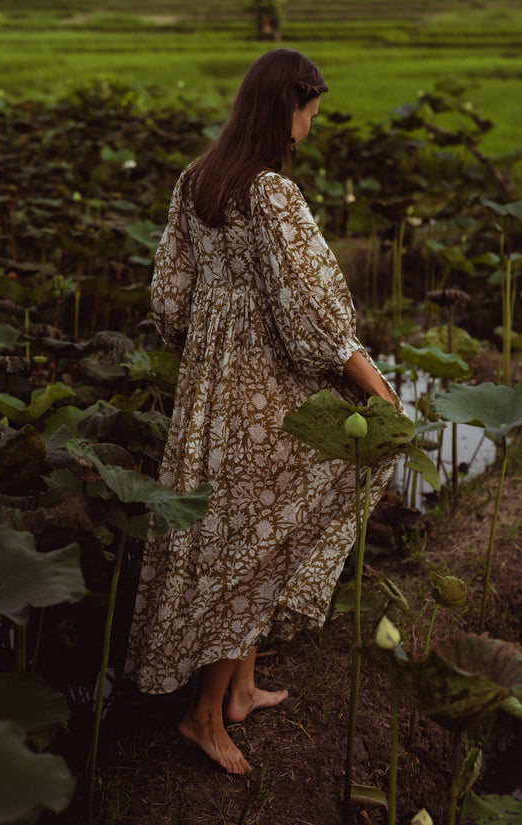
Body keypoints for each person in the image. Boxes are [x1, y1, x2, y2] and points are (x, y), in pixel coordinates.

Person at [125, 48, 398, 776]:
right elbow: (313, 313)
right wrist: (374, 383)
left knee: (239, 529)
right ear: (286, 106)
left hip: (208, 392)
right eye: (311, 106)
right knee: (259, 537)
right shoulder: (273, 193)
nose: (314, 120)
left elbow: (169, 300)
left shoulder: (196, 181)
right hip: (265, 388)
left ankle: (242, 686)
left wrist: (209, 344)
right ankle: (203, 715)